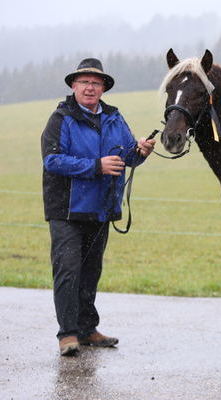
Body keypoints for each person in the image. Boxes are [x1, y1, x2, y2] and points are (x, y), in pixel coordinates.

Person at [41, 58, 155, 356]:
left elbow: (126, 157)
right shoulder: (61, 118)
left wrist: (140, 151)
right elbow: (52, 161)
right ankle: (67, 335)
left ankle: (87, 329)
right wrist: (96, 165)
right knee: (68, 271)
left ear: (103, 88)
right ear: (73, 86)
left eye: (96, 83)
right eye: (84, 82)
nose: (90, 87)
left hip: (101, 208)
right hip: (67, 209)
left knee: (91, 271)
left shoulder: (115, 118)